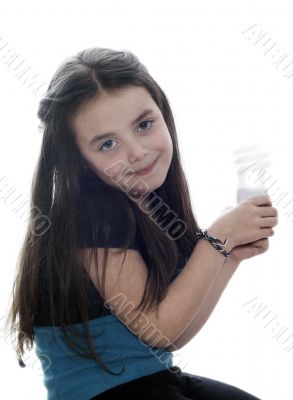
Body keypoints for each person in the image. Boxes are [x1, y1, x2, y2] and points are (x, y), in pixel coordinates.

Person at [5, 47, 278, 400]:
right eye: (107, 144)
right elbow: (159, 330)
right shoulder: (92, 218)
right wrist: (218, 238)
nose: (135, 152)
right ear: (80, 160)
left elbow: (175, 335)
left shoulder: (149, 202)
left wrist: (229, 255)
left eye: (144, 125)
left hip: (153, 376)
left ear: (164, 115)